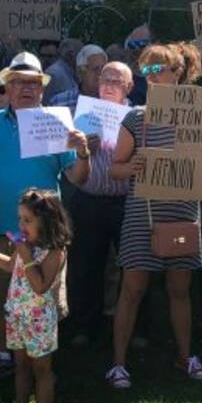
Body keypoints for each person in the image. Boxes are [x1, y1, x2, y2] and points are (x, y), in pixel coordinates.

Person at [0, 51, 90, 383]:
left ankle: (41, 358)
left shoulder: (55, 123)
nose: (26, 89)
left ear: (42, 89)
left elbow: (78, 177)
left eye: (34, 83)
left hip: (42, 236)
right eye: (19, 82)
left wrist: (83, 152)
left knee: (40, 296)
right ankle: (6, 357)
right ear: (7, 86)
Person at [107, 42, 202, 388]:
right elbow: (115, 169)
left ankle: (185, 357)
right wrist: (131, 165)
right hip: (143, 214)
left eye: (158, 69)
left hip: (182, 211)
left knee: (180, 289)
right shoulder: (136, 117)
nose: (151, 77)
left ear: (178, 72)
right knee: (132, 289)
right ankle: (118, 363)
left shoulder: (199, 114)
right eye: (146, 71)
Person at [0, 188, 70, 403]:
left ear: (45, 221)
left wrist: (26, 257)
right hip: (16, 313)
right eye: (19, 219)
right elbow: (8, 264)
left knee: (41, 369)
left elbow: (40, 286)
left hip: (39, 320)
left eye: (27, 220)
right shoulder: (23, 245)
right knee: (21, 366)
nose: (21, 225)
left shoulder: (55, 252)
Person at [63, 61, 133, 346]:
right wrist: (82, 150)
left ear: (128, 87)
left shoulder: (137, 115)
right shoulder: (83, 113)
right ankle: (84, 325)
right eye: (105, 78)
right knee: (85, 265)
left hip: (126, 201)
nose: (108, 84)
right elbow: (67, 156)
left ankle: (133, 326)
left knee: (131, 267)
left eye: (116, 81)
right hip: (89, 198)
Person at [48, 44, 106, 109]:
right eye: (95, 69)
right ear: (80, 71)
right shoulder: (59, 102)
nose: (100, 74)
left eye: (104, 69)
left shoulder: (111, 102)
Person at [43, 38, 82, 103]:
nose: (82, 59)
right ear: (71, 54)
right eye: (81, 54)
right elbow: (44, 100)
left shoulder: (72, 73)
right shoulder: (50, 73)